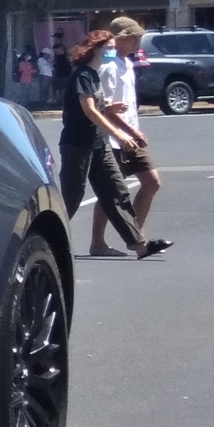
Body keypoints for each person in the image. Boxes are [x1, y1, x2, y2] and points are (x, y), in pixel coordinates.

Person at [60, 29, 171, 260]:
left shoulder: (94, 74)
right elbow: (88, 110)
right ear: (96, 49)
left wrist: (109, 109)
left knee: (117, 191)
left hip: (99, 144)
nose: (112, 51)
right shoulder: (82, 75)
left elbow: (96, 107)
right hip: (78, 146)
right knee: (72, 196)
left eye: (113, 47)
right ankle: (46, 240)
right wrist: (119, 134)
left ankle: (140, 245)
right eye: (108, 48)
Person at [92, 17, 163, 256]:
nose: (137, 42)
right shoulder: (108, 68)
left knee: (151, 182)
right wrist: (129, 132)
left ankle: (136, 237)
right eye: (133, 38)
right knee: (109, 192)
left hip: (131, 136)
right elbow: (105, 109)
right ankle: (98, 242)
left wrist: (133, 130)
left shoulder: (127, 64)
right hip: (114, 138)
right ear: (119, 39)